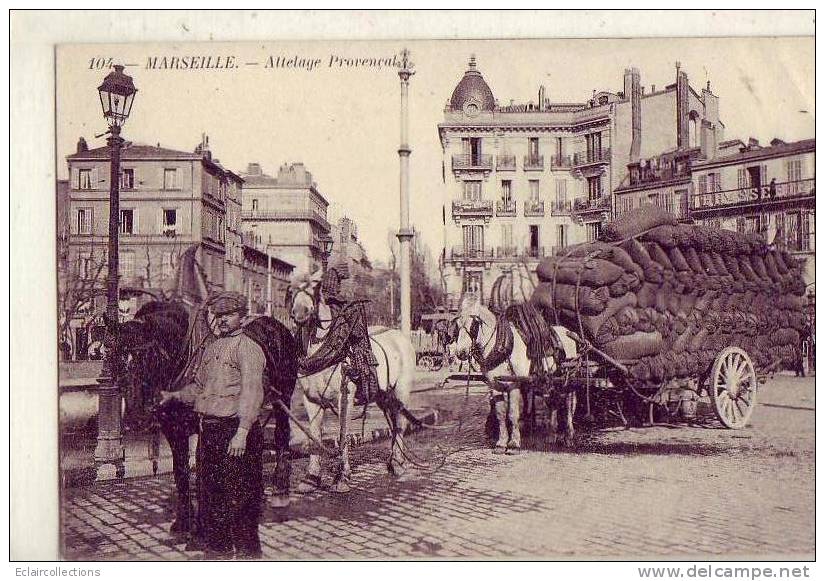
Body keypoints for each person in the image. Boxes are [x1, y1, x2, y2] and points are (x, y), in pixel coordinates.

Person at [160, 291, 266, 559]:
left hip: (236, 431)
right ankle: (218, 548)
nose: (222, 320)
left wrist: (242, 433)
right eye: (218, 315)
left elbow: (252, 393)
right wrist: (175, 395)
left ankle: (246, 550)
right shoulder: (211, 348)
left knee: (240, 493)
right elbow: (199, 387)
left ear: (243, 318)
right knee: (210, 492)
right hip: (211, 430)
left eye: (228, 315)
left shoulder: (249, 349)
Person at [319, 268, 380, 407]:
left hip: (348, 342)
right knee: (362, 361)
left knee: (360, 359)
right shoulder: (333, 305)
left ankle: (363, 392)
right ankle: (363, 390)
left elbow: (357, 332)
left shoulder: (346, 306)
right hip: (338, 341)